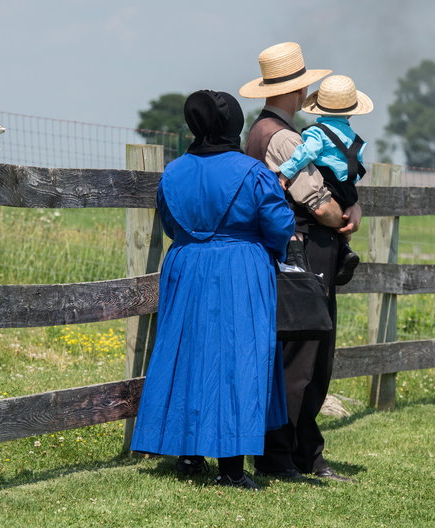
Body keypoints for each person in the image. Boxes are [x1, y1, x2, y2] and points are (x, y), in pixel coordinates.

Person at [130, 90, 295, 490]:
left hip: (186, 266)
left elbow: (170, 224)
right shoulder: (252, 172)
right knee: (238, 359)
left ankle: (188, 455)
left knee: (188, 353)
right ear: (232, 124)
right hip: (241, 266)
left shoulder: (173, 172)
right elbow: (280, 227)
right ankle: (232, 469)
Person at [240, 41, 362, 483]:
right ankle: (284, 455)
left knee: (300, 349)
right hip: (307, 247)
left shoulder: (260, 131)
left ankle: (301, 452)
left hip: (292, 246)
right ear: (299, 88)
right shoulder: (285, 137)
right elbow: (316, 200)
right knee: (306, 353)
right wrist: (344, 217)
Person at [276, 74, 373, 285]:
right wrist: (351, 196)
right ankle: (345, 248)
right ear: (351, 112)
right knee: (344, 218)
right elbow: (358, 163)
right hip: (348, 187)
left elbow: (305, 154)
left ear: (319, 108)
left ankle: (344, 247)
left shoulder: (316, 132)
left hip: (328, 182)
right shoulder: (353, 135)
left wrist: (286, 172)